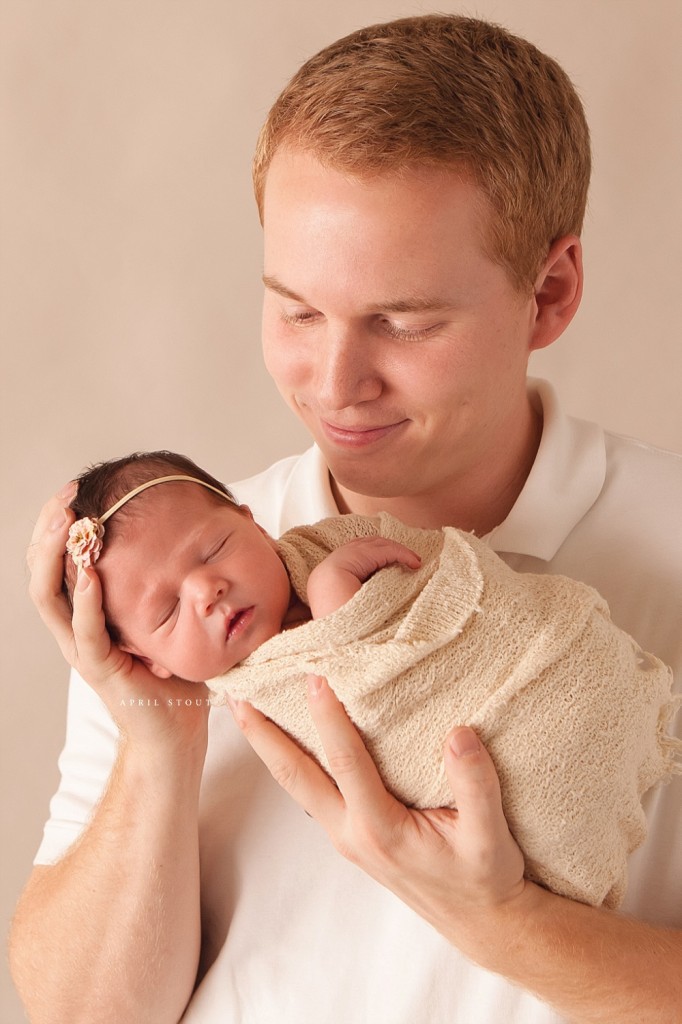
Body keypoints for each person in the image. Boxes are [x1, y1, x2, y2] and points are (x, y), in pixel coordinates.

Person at [10, 13, 682, 1024]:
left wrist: (505, 922)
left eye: (402, 321)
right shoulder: (180, 587)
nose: (334, 385)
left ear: (547, 294)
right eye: (296, 311)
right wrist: (156, 730)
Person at [60, 448, 677, 911]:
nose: (205, 591)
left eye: (213, 548)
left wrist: (346, 599)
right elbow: (357, 730)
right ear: (152, 664)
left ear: (254, 522)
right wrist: (338, 612)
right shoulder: (251, 701)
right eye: (165, 612)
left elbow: (426, 564)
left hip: (548, 663)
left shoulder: (329, 546)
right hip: (511, 780)